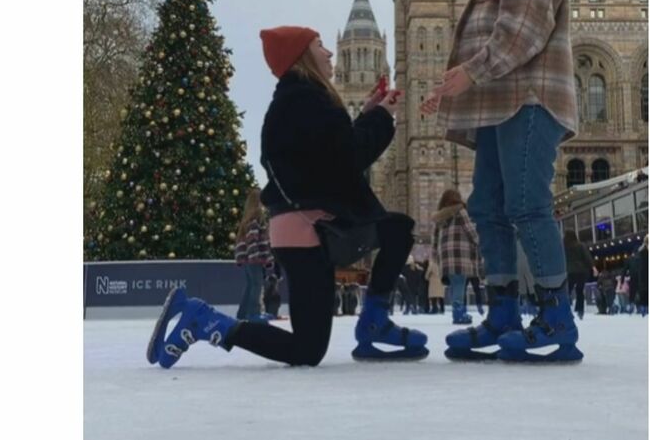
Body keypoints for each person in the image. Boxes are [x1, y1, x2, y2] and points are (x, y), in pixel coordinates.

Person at [147, 26, 428, 368]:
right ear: (303, 57)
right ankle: (205, 321)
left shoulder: (296, 99)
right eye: (321, 46)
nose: (329, 54)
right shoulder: (310, 99)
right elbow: (349, 159)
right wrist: (383, 117)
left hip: (300, 228)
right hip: (312, 228)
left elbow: (327, 157)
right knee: (395, 233)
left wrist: (368, 115)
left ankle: (208, 321)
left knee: (309, 346)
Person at [421, 0, 580, 363]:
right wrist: (451, 83)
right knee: (486, 207)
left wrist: (469, 72)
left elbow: (521, 32)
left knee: (527, 205)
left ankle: (556, 316)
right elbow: (485, 44)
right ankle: (503, 312)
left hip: (529, 102)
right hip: (495, 107)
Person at [432, 189, 481, 325]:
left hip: (446, 256)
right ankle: (458, 314)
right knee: (460, 283)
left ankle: (459, 311)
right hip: (460, 253)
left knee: (455, 284)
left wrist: (435, 256)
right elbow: (470, 230)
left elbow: (434, 238)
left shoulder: (439, 216)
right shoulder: (460, 211)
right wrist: (479, 242)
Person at [232, 188, 273, 322]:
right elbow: (252, 239)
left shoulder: (248, 217)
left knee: (250, 285)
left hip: (248, 258)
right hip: (253, 258)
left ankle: (242, 314)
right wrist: (256, 257)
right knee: (257, 284)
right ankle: (253, 313)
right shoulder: (256, 216)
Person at [563, 230, 597, 320]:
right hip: (582, 271)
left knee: (567, 291)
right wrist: (593, 267)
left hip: (570, 271)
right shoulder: (580, 245)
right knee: (579, 291)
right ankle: (580, 310)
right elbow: (587, 257)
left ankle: (565, 310)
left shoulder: (564, 247)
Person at [627, 235, 649, 316]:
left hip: (641, 275)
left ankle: (643, 307)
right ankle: (644, 307)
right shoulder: (642, 252)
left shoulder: (640, 252)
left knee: (642, 291)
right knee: (644, 291)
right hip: (644, 274)